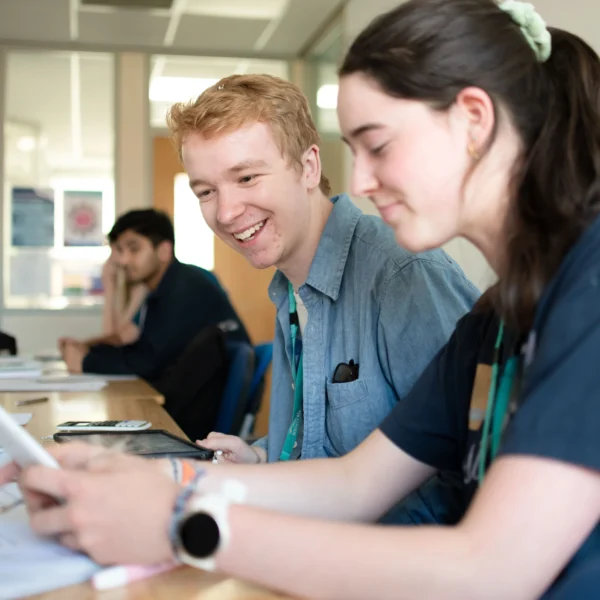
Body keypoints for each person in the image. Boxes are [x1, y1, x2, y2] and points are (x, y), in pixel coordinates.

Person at [5, 1, 599, 597]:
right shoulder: (491, 319)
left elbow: (488, 570)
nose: (361, 182)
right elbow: (353, 482)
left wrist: (179, 520)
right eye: (208, 190)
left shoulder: (584, 290)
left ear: (474, 121)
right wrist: (146, 480)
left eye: (380, 145)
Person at [170, 73, 478, 523]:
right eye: (206, 191)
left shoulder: (401, 275)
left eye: (248, 177)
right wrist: (261, 460)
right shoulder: (290, 289)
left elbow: (472, 468)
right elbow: (326, 446)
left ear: (309, 167)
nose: (226, 211)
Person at [60, 208, 250, 379]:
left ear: (164, 251)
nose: (123, 260)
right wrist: (90, 354)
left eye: (134, 249)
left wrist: (86, 362)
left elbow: (148, 364)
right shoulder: (165, 287)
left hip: (192, 411)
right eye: (120, 250)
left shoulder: (183, 288)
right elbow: (141, 349)